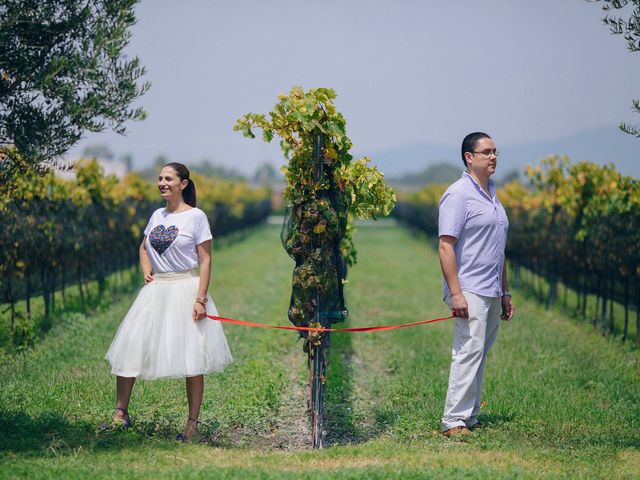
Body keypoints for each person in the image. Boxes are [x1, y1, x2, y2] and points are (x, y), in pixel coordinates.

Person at [103, 162, 232, 441]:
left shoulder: (196, 217)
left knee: (191, 358)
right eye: (160, 178)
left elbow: (206, 260)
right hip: (156, 289)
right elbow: (143, 246)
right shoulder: (156, 215)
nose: (162, 183)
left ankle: (192, 425)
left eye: (168, 178)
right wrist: (146, 267)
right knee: (131, 347)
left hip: (185, 288)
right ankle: (120, 414)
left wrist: (201, 298)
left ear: (183, 183)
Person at [438, 132, 515, 437]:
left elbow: (499, 247)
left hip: (492, 288)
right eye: (486, 152)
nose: (493, 156)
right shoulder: (458, 194)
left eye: (495, 151)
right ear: (469, 157)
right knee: (468, 351)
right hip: (469, 288)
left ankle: (469, 415)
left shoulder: (493, 193)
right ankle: (453, 420)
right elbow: (445, 245)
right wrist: (456, 293)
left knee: (480, 352)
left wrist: (505, 291)